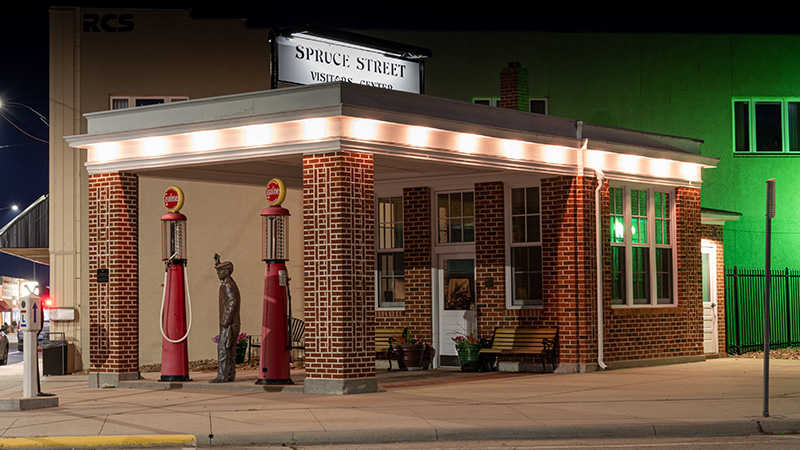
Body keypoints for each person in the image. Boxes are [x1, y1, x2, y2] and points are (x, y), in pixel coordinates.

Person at [210, 253, 241, 383]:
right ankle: (230, 374)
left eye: (220, 271)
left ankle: (223, 376)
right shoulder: (228, 284)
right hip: (232, 323)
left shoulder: (228, 286)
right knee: (230, 349)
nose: (218, 274)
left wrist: (225, 321)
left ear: (227, 271)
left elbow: (232, 302)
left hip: (229, 324)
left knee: (223, 349)